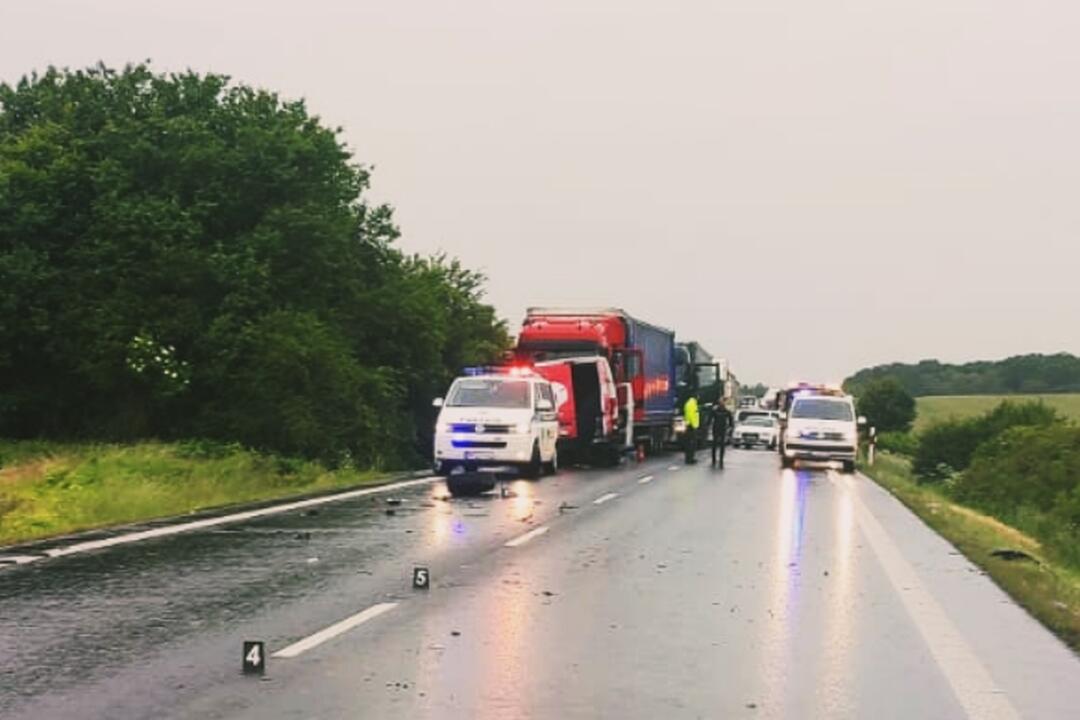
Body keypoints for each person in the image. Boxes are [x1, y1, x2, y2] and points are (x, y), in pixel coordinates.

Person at [710, 403, 732, 468]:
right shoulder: (726, 411)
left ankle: (718, 459)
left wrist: (730, 426)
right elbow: (730, 420)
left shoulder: (716, 411)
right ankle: (717, 459)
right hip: (720, 429)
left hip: (719, 429)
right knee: (718, 445)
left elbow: (730, 420)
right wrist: (730, 426)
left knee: (717, 444)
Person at [683, 396, 700, 464]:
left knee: (688, 443)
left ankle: (688, 458)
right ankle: (691, 459)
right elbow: (692, 415)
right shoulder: (693, 404)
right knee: (692, 444)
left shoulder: (687, 403)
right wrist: (694, 425)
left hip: (688, 425)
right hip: (691, 426)